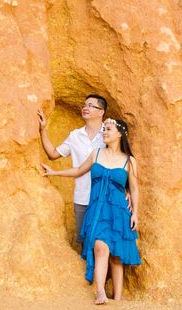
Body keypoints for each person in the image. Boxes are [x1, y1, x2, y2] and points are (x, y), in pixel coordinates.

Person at [41, 118, 141, 304]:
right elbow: (79, 170)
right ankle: (100, 291)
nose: (104, 132)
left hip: (119, 212)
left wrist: (135, 213)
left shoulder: (129, 160)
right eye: (104, 129)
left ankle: (117, 298)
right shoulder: (96, 154)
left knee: (117, 256)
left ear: (119, 134)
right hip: (97, 211)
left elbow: (134, 188)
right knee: (100, 248)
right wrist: (55, 173)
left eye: (108, 129)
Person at [37, 94, 108, 245]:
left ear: (101, 112)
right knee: (85, 242)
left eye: (90, 105)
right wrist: (43, 130)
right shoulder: (75, 135)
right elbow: (53, 154)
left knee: (103, 243)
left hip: (105, 197)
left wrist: (127, 189)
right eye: (84, 105)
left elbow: (122, 161)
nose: (85, 108)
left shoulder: (109, 134)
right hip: (82, 197)